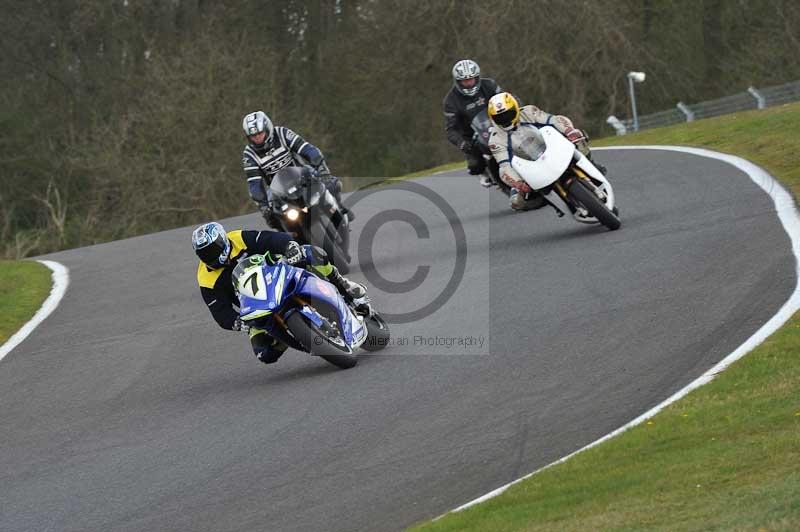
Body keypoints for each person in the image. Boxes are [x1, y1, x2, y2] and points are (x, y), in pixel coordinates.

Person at [192, 221, 366, 365]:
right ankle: (293, 335)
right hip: (256, 305)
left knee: (312, 253)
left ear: (223, 240)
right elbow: (219, 311)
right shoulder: (206, 278)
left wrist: (289, 246)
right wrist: (236, 322)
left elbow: (270, 239)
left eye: (212, 248)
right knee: (264, 354)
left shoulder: (238, 238)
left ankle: (343, 285)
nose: (209, 255)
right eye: (204, 253)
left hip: (278, 272)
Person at [486, 92, 606, 211]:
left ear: (516, 109)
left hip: (551, 148)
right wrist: (518, 183)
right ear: (493, 119)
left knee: (576, 136)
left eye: (508, 114)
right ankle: (547, 199)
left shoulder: (528, 112)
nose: (505, 119)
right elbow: (505, 165)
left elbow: (554, 120)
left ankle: (590, 163)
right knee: (515, 202)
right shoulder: (495, 139)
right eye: (499, 117)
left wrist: (569, 131)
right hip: (529, 167)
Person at [241, 111, 352, 229]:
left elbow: (307, 149)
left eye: (260, 133)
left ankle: (339, 209)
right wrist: (263, 207)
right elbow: (254, 184)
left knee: (332, 184)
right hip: (276, 189)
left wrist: (321, 168)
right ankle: (292, 240)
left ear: (267, 129)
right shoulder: (249, 155)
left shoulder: (282, 133)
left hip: (301, 173)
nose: (257, 138)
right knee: (272, 219)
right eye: (253, 136)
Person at [443, 59, 504, 187]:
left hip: (499, 125)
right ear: (458, 81)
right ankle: (486, 173)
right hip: (473, 136)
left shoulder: (489, 85)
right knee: (475, 165)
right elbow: (450, 129)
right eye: (465, 81)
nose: (469, 83)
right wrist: (462, 143)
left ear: (477, 77)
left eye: (471, 79)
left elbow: (506, 99)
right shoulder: (450, 101)